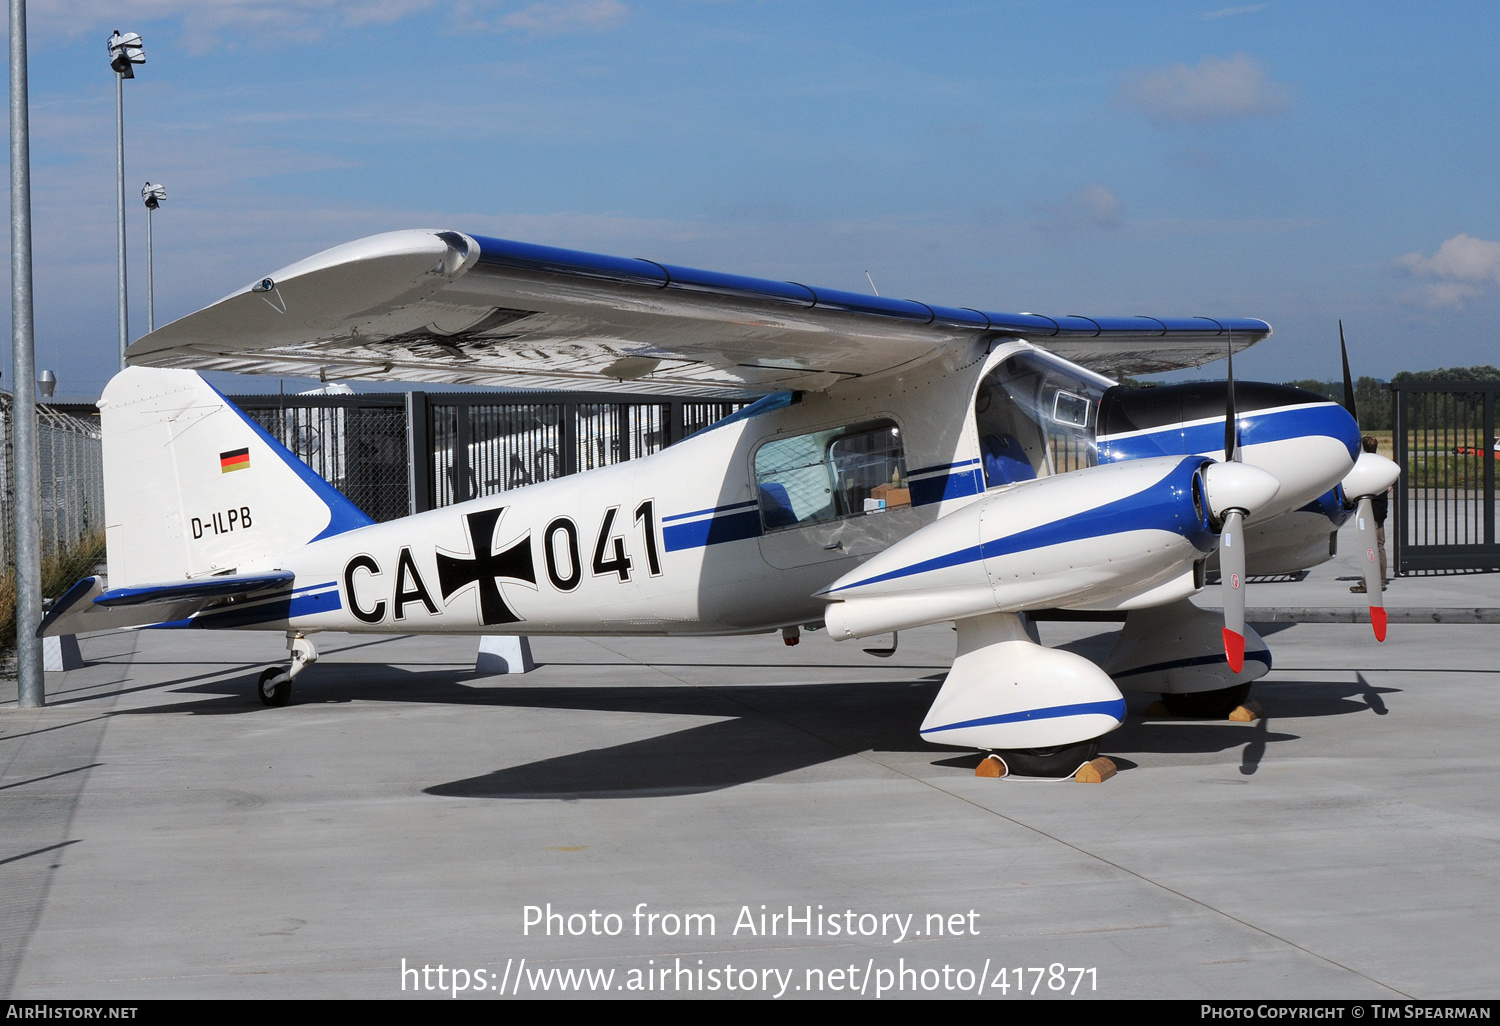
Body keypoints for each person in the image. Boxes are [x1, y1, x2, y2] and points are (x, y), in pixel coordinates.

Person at [1351, 434, 1389, 592]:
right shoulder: (1381, 464)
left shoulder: (1365, 465)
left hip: (1370, 512)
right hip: (1380, 511)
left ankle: (1371, 584)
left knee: (1370, 548)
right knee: (1379, 547)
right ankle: (1380, 580)